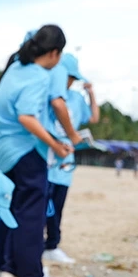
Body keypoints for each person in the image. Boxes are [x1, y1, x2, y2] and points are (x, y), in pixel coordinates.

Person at [0, 26, 72, 277]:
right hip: (22, 149)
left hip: (3, 149)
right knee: (32, 215)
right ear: (55, 53)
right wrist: (56, 144)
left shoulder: (16, 67)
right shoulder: (38, 75)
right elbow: (26, 116)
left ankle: (10, 270)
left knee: (15, 209)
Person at [42, 54, 99, 265]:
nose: (70, 81)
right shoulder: (46, 92)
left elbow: (93, 118)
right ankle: (40, 244)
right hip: (47, 158)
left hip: (66, 164)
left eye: (74, 78)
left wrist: (91, 93)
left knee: (57, 204)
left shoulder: (75, 99)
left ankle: (52, 245)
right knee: (43, 205)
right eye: (69, 76)